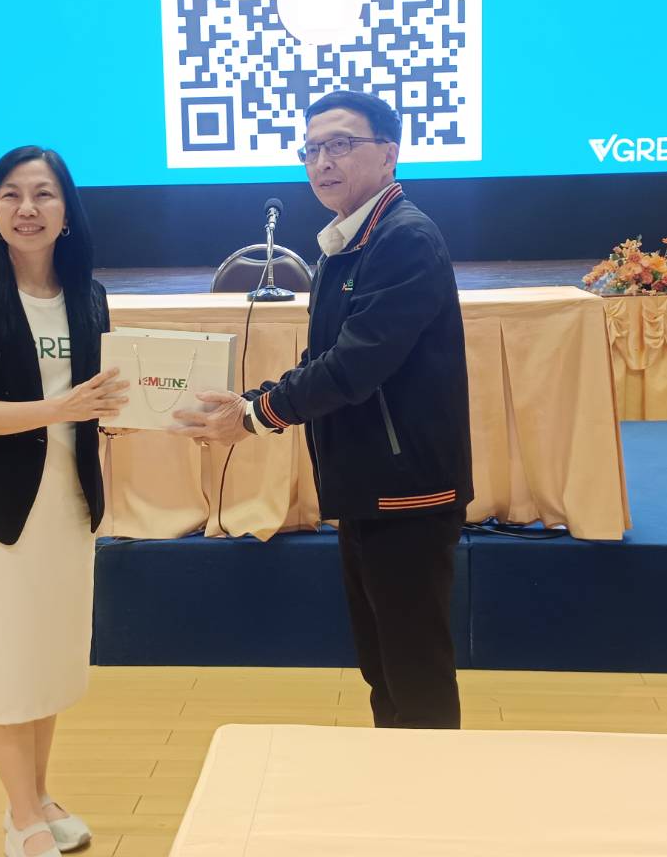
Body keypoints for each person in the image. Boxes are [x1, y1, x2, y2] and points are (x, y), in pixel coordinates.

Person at [173, 91, 473, 729]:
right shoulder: (349, 240)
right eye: (311, 149)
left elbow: (355, 366)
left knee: (414, 665)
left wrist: (254, 417)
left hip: (406, 489)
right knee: (382, 663)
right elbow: (325, 359)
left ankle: (434, 785)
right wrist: (252, 401)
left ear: (389, 154)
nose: (322, 161)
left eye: (341, 144)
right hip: (366, 481)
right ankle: (397, 773)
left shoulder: (403, 238)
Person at [0, 146, 129, 857]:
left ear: (66, 210)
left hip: (69, 504)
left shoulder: (89, 296)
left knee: (48, 654)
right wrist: (59, 407)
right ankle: (20, 817)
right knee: (5, 659)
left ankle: (39, 796)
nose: (27, 209)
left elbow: (98, 399)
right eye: (11, 194)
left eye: (43, 194)